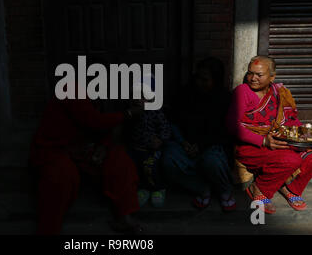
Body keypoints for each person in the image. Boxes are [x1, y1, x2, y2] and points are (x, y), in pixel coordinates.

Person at [29, 85, 143, 235]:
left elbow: (104, 129)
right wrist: (128, 114)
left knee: (120, 159)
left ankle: (125, 216)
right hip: (56, 150)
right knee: (61, 176)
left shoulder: (101, 95)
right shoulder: (70, 89)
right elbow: (94, 121)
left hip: (84, 150)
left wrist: (103, 146)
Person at [226, 55, 312, 214]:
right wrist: (263, 141)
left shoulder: (279, 92)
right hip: (251, 145)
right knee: (290, 160)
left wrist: (311, 139)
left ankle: (291, 189)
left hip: (279, 141)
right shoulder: (242, 91)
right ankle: (259, 189)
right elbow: (233, 127)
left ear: (272, 77)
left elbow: (291, 122)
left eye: (259, 75)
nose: (253, 78)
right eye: (250, 73)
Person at [162, 57, 237, 212]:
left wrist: (201, 145)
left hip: (211, 145)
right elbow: (173, 121)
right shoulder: (185, 94)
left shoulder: (225, 99)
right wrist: (183, 142)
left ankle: (224, 191)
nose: (199, 82)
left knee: (212, 160)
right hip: (186, 145)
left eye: (205, 79)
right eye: (198, 77)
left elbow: (224, 132)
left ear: (215, 80)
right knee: (168, 160)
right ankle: (202, 187)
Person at [128, 74, 171, 208]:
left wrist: (160, 140)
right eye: (136, 95)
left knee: (150, 168)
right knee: (137, 169)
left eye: (143, 96)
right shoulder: (132, 112)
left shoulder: (156, 112)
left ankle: (158, 188)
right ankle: (144, 188)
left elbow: (166, 129)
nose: (139, 99)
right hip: (136, 148)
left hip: (151, 150)